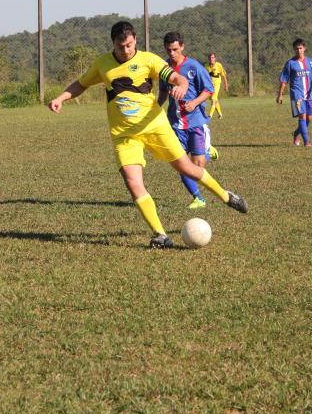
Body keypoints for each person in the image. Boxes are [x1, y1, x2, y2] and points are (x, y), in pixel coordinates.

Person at [48, 21, 248, 249]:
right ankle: (160, 235)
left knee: (186, 168)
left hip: (155, 126)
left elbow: (176, 77)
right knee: (132, 182)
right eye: (121, 46)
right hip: (125, 135)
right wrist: (60, 98)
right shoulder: (102, 64)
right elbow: (81, 84)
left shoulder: (149, 59)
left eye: (130, 45)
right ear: (113, 43)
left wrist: (182, 85)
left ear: (135, 41)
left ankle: (226, 196)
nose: (126, 50)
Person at [157, 31, 215, 210]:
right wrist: (154, 109)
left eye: (175, 49)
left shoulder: (193, 66)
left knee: (198, 165)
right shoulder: (164, 69)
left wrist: (195, 102)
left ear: (182, 46)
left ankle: (207, 152)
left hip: (195, 122)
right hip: (175, 124)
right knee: (181, 164)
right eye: (169, 50)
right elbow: (163, 92)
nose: (172, 53)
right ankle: (198, 197)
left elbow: (209, 89)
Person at [277, 38, 312, 147]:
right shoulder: (290, 63)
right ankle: (307, 142)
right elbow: (284, 80)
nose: (299, 50)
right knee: (302, 116)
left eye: (300, 48)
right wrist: (280, 95)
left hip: (308, 95)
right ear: (294, 50)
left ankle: (296, 133)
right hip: (297, 95)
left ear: (304, 48)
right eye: (296, 49)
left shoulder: (310, 62)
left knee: (309, 118)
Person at [205, 52, 229, 119]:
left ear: (215, 58)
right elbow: (204, 75)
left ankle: (210, 115)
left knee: (213, 99)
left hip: (217, 85)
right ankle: (220, 114)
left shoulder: (218, 65)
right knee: (215, 100)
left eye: (212, 57)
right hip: (210, 86)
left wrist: (226, 85)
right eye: (210, 57)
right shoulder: (207, 66)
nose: (211, 59)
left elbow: (223, 75)